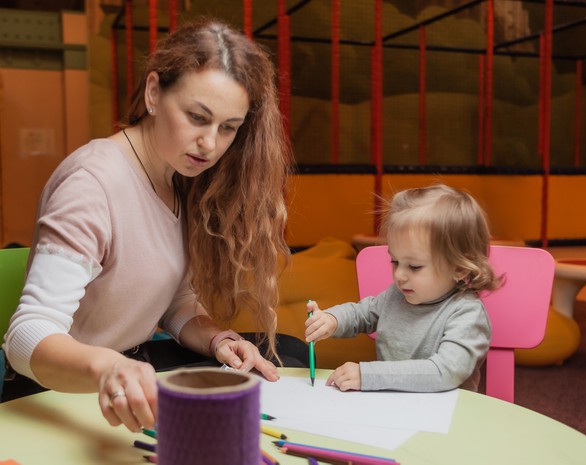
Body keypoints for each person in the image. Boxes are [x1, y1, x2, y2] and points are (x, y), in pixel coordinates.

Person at [2, 17, 303, 431]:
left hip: (132, 369)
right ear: (153, 93)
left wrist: (219, 339)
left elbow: (174, 303)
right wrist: (109, 367)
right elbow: (25, 338)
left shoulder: (179, 179)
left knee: (284, 352)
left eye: (228, 128)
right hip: (59, 390)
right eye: (197, 117)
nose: (211, 144)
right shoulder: (93, 183)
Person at [305, 184, 501, 393]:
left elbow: (445, 371)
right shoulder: (396, 296)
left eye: (414, 266)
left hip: (446, 418)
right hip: (393, 409)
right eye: (395, 261)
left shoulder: (466, 313)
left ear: (460, 268)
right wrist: (332, 320)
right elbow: (361, 313)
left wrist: (369, 375)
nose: (399, 275)